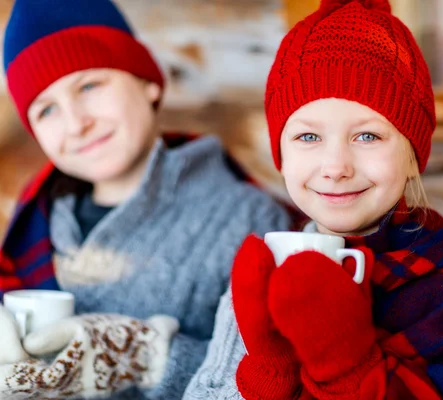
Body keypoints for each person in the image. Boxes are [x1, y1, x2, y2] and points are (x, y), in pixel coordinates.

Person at [184, 0, 443, 398]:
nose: (335, 166)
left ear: (412, 157)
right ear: (282, 156)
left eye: (367, 136)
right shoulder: (265, 271)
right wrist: (270, 371)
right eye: (308, 137)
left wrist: (349, 368)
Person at [0, 0, 289, 398]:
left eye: (88, 86)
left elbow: (265, 379)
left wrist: (146, 357)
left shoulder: (247, 218)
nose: (76, 124)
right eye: (47, 110)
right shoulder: (36, 222)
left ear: (148, 81)